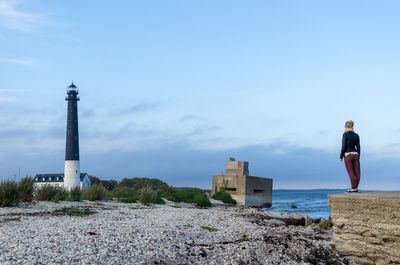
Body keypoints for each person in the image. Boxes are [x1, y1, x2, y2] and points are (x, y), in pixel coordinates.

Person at [340, 120, 361, 193]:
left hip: (348, 155)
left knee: (351, 173)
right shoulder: (356, 135)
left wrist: (341, 155)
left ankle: (353, 189)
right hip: (355, 154)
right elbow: (358, 147)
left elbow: (343, 146)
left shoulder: (345, 135)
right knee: (357, 172)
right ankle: (355, 188)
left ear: (346, 126)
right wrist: (358, 156)